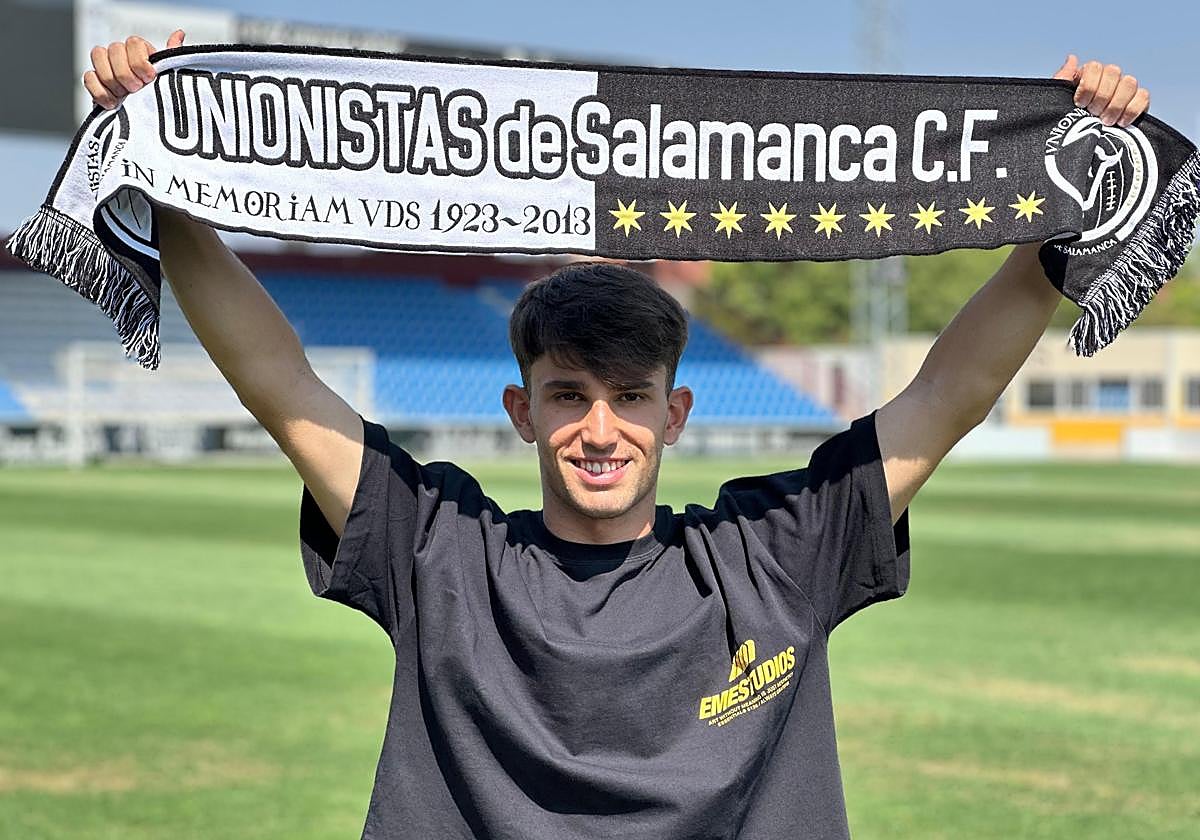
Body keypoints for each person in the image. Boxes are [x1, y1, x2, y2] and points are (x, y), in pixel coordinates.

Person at [84, 32, 1150, 840]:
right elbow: (279, 382)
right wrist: (170, 181)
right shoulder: (441, 551)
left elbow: (951, 390)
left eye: (631, 397)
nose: (600, 430)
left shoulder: (774, 554)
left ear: (675, 413)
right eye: (568, 396)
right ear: (523, 412)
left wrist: (1060, 217)